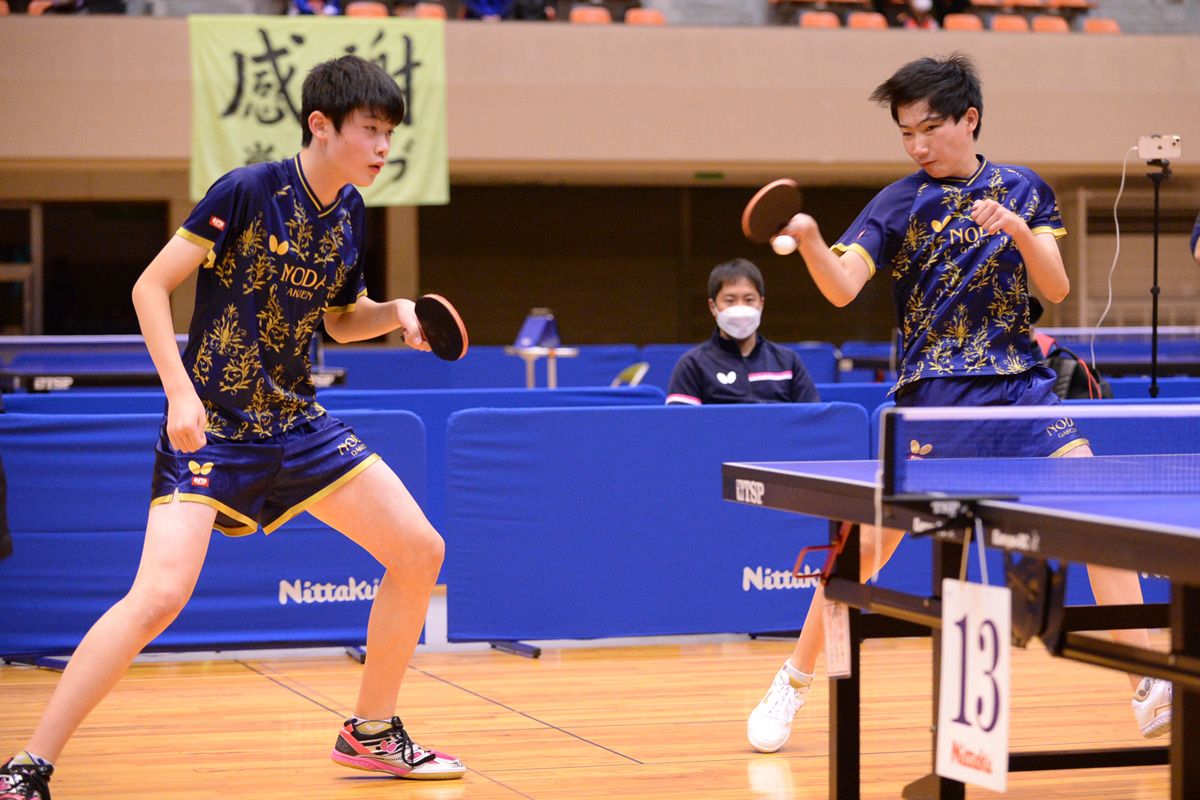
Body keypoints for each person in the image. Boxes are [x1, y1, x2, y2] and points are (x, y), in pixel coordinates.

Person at [0, 55, 464, 800]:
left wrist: (398, 312)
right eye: (371, 129)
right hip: (211, 426)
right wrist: (179, 395)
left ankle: (371, 732)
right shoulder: (247, 191)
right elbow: (150, 287)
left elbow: (341, 320)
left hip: (295, 422)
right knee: (158, 596)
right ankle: (29, 764)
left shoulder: (349, 211)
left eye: (390, 134)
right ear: (321, 125)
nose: (384, 147)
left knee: (420, 550)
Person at [745, 52, 1170, 755]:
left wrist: (1018, 230)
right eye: (906, 133)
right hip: (935, 401)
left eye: (930, 128)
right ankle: (793, 679)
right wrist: (816, 240)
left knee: (1098, 508)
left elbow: (1057, 288)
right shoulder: (897, 202)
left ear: (969, 119)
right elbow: (844, 287)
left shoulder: (1024, 189)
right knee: (864, 549)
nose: (917, 146)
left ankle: (1148, 682)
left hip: (1021, 390)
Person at [666, 258, 820, 406]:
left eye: (749, 300)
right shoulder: (692, 364)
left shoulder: (788, 362)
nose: (740, 308)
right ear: (713, 307)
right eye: (730, 300)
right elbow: (680, 421)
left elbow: (812, 417)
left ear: (761, 303)